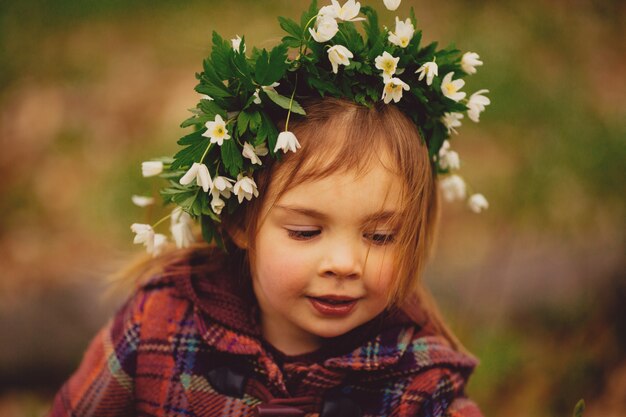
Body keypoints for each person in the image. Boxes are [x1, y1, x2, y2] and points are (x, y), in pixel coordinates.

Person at [48, 1, 490, 416]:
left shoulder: (422, 389)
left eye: (379, 236)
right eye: (304, 231)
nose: (344, 263)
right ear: (240, 219)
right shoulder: (158, 329)